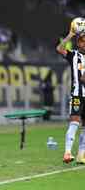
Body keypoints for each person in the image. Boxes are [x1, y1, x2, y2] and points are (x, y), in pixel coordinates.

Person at [56, 30, 85, 164]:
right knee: (74, 122)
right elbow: (60, 48)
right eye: (82, 41)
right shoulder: (73, 55)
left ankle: (81, 155)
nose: (84, 43)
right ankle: (67, 153)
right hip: (77, 94)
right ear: (78, 43)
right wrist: (71, 34)